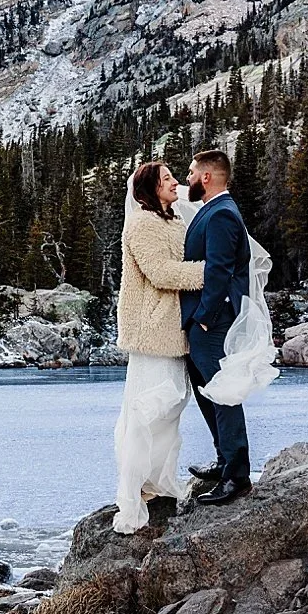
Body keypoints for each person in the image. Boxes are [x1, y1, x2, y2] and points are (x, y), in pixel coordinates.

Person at [111, 161, 204, 534]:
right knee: (149, 407)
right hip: (151, 330)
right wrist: (209, 271)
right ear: (150, 188)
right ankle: (132, 492)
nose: (175, 183)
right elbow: (161, 273)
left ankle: (157, 481)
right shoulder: (142, 224)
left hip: (172, 328)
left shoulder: (174, 221)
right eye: (167, 179)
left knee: (172, 405)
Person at [179, 148, 253, 504]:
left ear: (207, 177)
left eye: (192, 172)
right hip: (205, 320)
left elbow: (219, 271)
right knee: (206, 391)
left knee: (223, 393)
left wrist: (205, 320)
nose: (188, 178)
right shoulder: (215, 209)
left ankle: (237, 476)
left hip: (214, 320)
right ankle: (225, 460)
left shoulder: (222, 214)